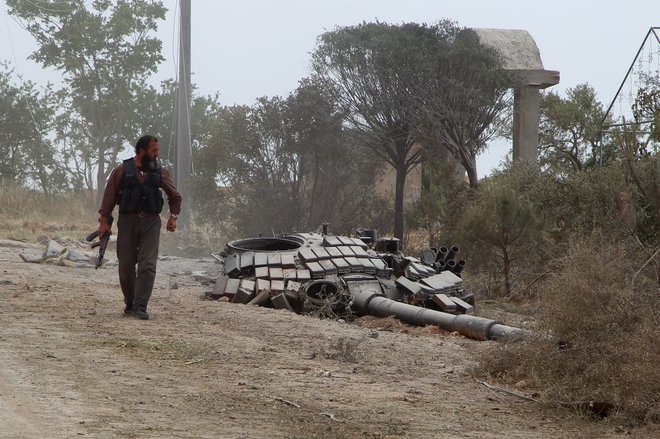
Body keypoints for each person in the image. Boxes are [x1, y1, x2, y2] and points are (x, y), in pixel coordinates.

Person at [98, 135, 182, 320]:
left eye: (157, 151)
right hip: (127, 222)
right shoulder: (121, 170)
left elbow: (175, 197)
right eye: (153, 151)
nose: (156, 154)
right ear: (141, 151)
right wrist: (104, 223)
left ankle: (140, 306)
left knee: (148, 265)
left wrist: (173, 217)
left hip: (151, 223)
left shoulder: (160, 172)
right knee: (126, 264)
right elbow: (109, 197)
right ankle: (130, 302)